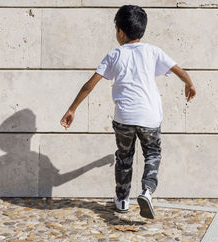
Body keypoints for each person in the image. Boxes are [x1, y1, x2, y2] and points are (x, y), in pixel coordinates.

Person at [60, 5, 196, 219]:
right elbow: (180, 71)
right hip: (150, 117)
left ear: (120, 32)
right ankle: (147, 192)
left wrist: (72, 109)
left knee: (124, 157)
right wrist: (189, 84)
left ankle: (122, 200)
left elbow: (90, 85)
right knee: (152, 153)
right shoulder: (153, 51)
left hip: (124, 117)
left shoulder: (115, 54)